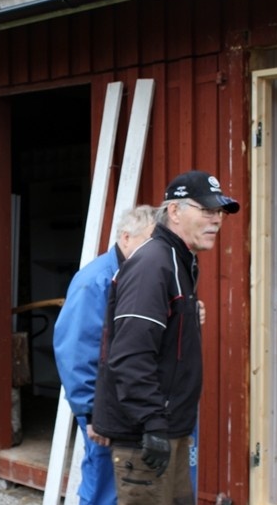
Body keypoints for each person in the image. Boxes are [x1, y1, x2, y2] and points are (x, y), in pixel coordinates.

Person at [91, 170, 239, 505]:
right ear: (174, 212)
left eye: (219, 212)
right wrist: (153, 424)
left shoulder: (178, 261)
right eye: (206, 211)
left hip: (168, 429)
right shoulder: (153, 265)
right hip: (147, 435)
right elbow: (130, 355)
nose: (216, 220)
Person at [52, 205, 158, 505]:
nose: (156, 251)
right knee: (103, 489)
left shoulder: (143, 275)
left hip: (132, 406)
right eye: (149, 241)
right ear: (126, 237)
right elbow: (74, 352)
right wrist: (90, 413)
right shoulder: (95, 280)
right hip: (104, 412)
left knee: (129, 488)